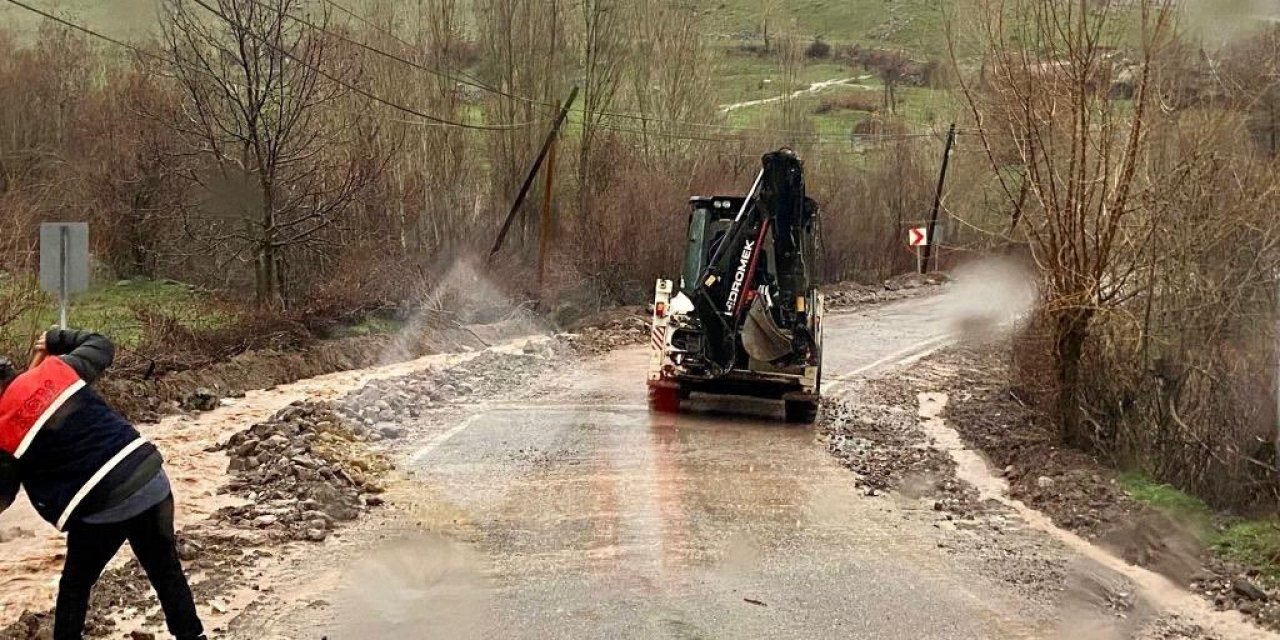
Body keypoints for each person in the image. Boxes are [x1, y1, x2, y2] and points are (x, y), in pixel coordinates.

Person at [0, 329, 206, 640]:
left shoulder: (3, 431)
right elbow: (102, 345)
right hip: (149, 477)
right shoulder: (57, 370)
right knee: (165, 570)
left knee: (75, 586)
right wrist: (56, 338)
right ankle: (192, 636)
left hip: (100, 503)